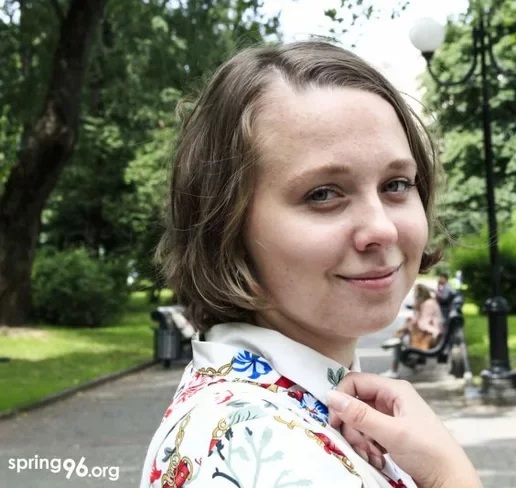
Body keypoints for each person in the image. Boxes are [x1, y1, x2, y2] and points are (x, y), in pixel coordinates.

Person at [139, 41, 481, 488]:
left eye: (396, 184)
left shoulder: (290, 404)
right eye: (322, 194)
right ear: (225, 226)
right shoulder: (263, 447)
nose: (382, 229)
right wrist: (452, 476)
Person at [380, 283, 443, 379]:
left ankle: (394, 370)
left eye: (416, 295)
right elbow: (420, 321)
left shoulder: (428, 304)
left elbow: (423, 324)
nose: (414, 297)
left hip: (430, 337)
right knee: (402, 331)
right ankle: (396, 345)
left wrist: (409, 326)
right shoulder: (427, 303)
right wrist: (410, 323)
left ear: (420, 294)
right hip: (426, 335)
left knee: (400, 341)